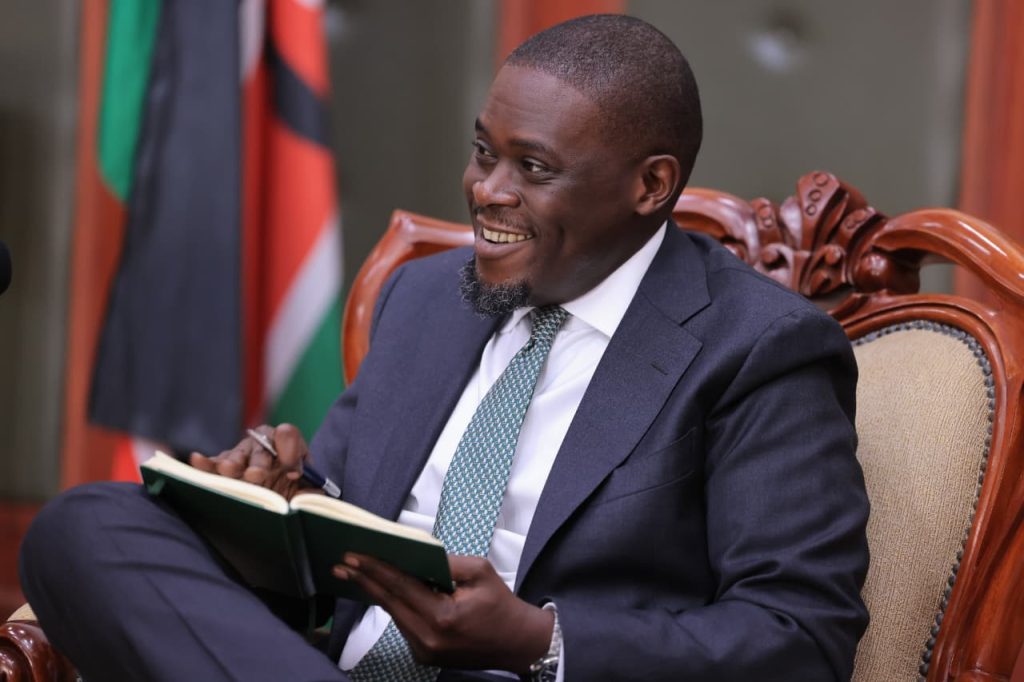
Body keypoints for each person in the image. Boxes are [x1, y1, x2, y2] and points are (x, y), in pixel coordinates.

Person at [20, 14, 869, 682]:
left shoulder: (760, 349)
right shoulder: (425, 298)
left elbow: (800, 636)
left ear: (651, 185)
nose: (487, 192)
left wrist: (538, 641)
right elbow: (342, 538)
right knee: (89, 525)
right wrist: (275, 508)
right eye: (483, 152)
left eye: (534, 169)